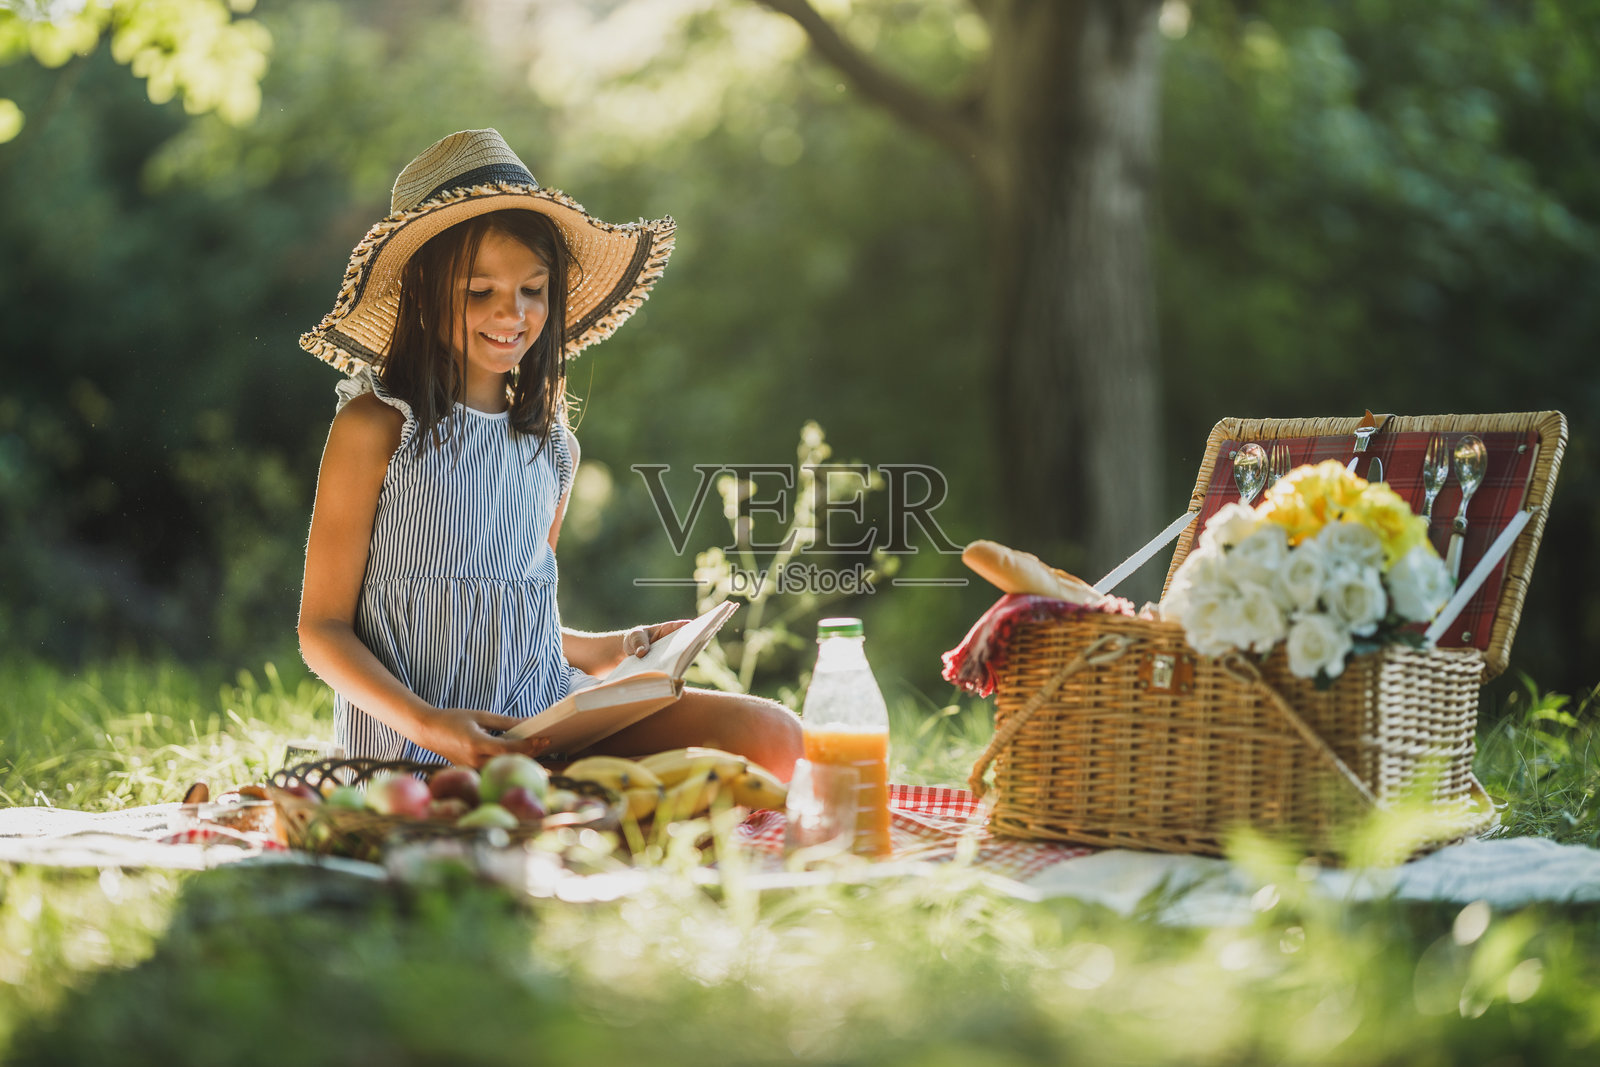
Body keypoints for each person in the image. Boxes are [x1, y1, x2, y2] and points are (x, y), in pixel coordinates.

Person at [296, 129, 802, 778]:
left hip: (544, 721)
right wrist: (434, 726)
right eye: (480, 291)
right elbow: (322, 630)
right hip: (420, 751)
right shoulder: (376, 428)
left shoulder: (553, 446)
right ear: (422, 292)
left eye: (533, 289)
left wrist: (619, 649)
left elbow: (514, 616)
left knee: (773, 733)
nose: (513, 313)